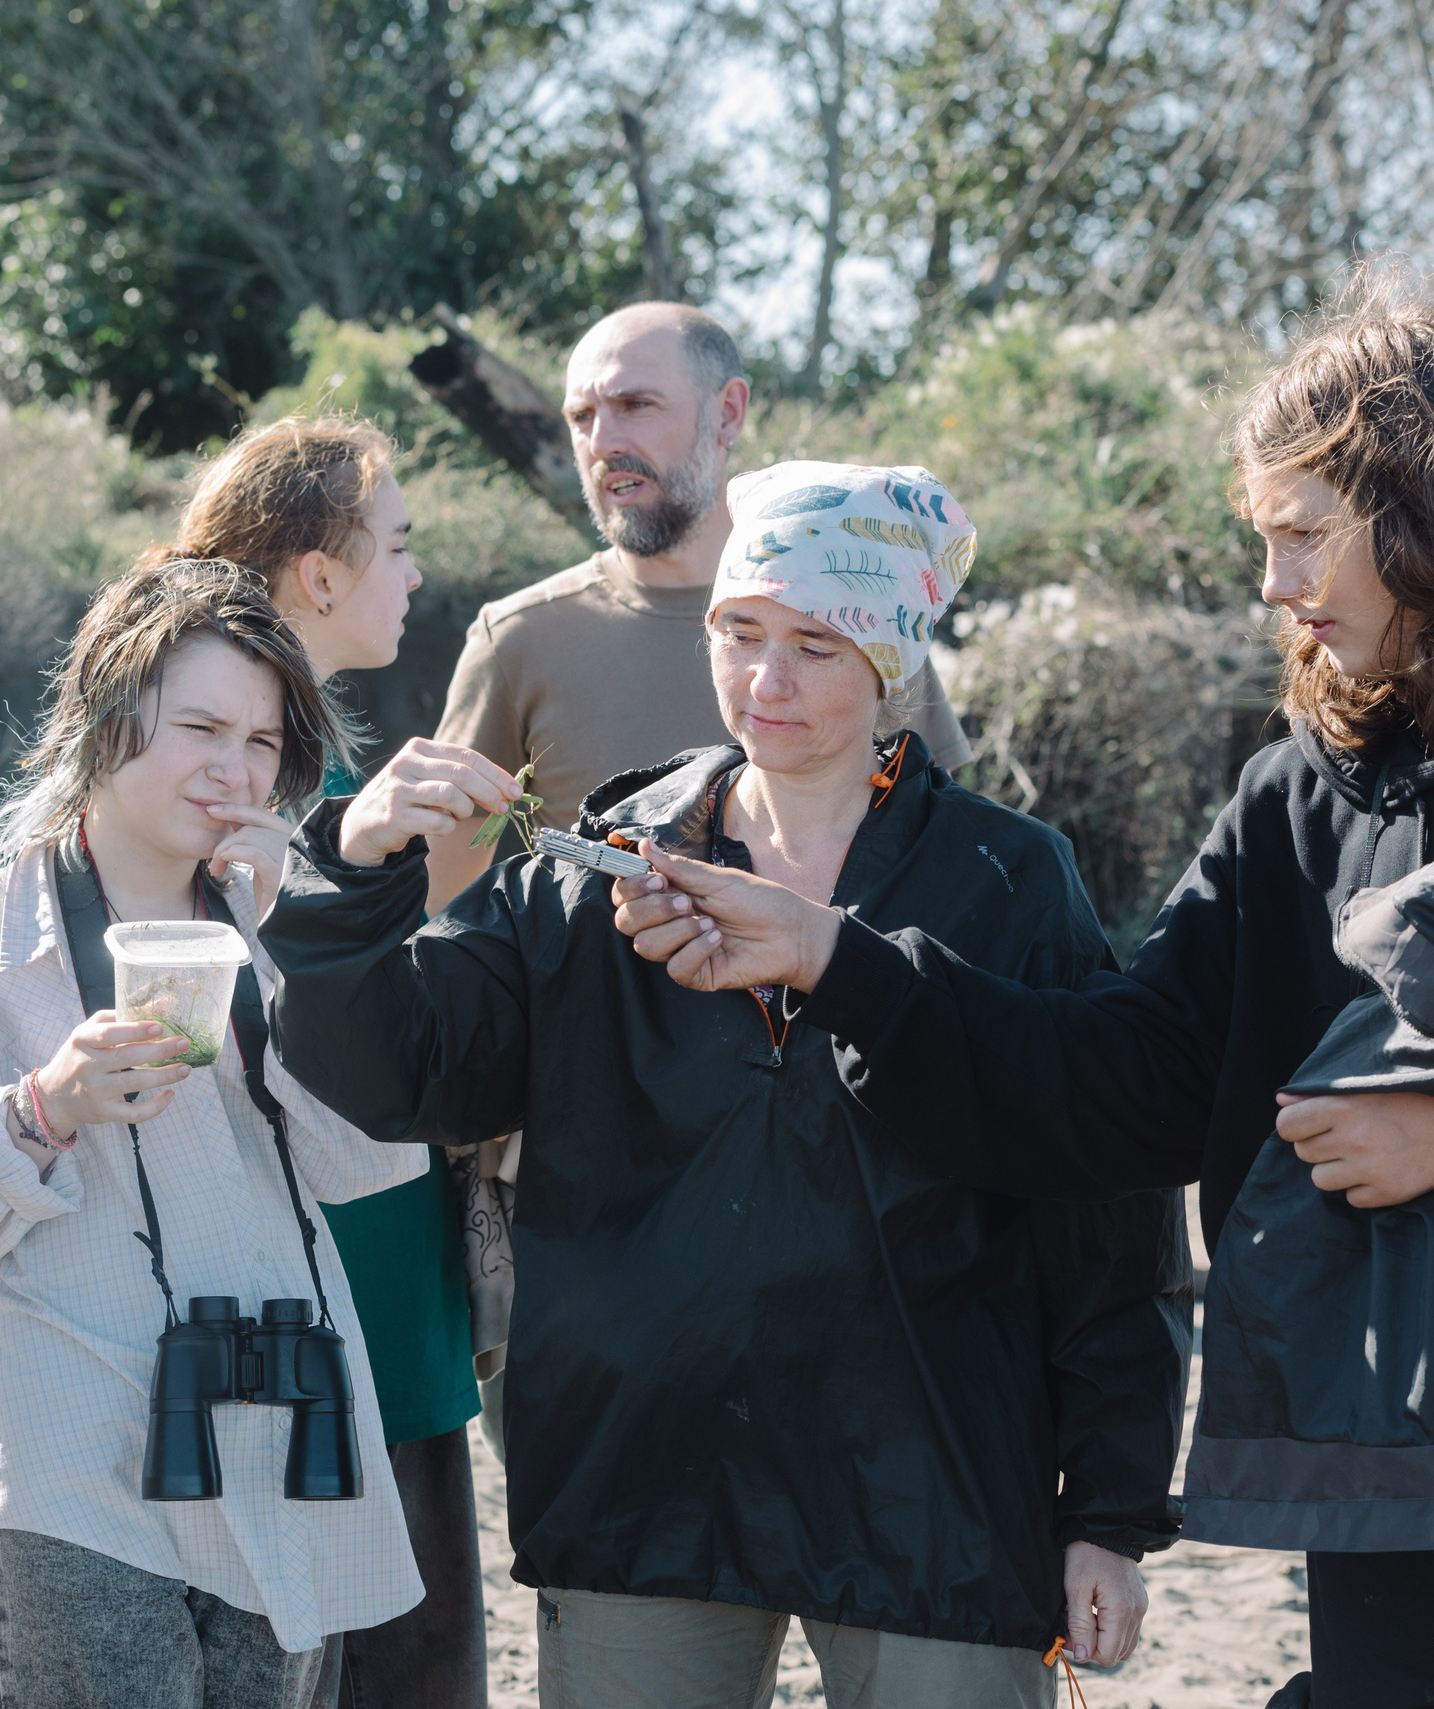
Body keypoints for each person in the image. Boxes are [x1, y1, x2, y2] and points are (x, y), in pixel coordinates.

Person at [609, 288, 1434, 1707]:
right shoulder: (1297, 795)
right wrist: (835, 958)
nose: (1273, 583)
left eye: (1301, 533)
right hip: (1388, 1477)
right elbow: (1124, 1084)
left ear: (1431, 509)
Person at [264, 461, 1189, 1709]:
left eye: (814, 644)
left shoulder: (1006, 880)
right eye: (739, 632)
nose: (766, 680)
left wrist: (1111, 1507)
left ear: (891, 659)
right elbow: (401, 1071)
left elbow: (1105, 1201)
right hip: (642, 1481)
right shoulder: (593, 870)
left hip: (937, 1489)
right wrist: (349, 868)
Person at [0, 558, 428, 1709]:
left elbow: (370, 1162)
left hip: (271, 1435)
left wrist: (302, 953)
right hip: (72, 1460)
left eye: (261, 741)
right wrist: (38, 1109)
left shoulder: (283, 927)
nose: (233, 767)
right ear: (105, 719)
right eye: (199, 726)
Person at [420, 301, 974, 1449]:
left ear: (728, 414)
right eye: (582, 414)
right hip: (601, 1207)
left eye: (634, 405)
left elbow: (951, 874)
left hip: (857, 1186)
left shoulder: (858, 609)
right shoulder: (522, 640)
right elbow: (451, 921)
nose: (602, 439)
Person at [141, 418, 488, 1709]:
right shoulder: (236, 779)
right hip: (327, 1290)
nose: (415, 572)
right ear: (320, 574)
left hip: (375, 1271)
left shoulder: (302, 762)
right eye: (395, 544)